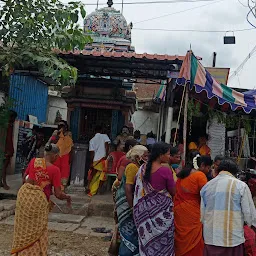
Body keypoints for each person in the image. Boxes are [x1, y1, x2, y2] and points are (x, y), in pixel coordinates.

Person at [12, 144, 71, 255]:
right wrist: (67, 197)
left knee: (23, 227)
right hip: (38, 203)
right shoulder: (55, 169)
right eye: (58, 156)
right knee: (37, 229)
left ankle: (19, 252)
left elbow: (25, 178)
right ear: (54, 155)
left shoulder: (34, 161)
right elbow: (58, 194)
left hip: (23, 197)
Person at [201, 159, 256, 256]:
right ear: (234, 172)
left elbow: (202, 215)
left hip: (211, 237)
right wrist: (251, 226)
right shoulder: (240, 186)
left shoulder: (207, 186)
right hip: (232, 238)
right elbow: (249, 214)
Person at [133, 142, 176, 256]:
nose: (169, 156)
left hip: (144, 216)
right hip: (163, 216)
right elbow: (174, 192)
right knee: (164, 245)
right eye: (168, 154)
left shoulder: (142, 169)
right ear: (160, 155)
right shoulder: (165, 170)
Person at [174, 154, 212, 256]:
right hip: (191, 210)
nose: (209, 170)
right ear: (203, 165)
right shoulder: (200, 175)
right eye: (208, 168)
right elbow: (206, 196)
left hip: (178, 209)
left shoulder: (185, 173)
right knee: (193, 239)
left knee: (181, 238)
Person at [115, 145, 148, 256]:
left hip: (130, 202)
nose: (147, 157)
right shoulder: (132, 167)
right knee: (127, 231)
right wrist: (132, 207)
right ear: (138, 156)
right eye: (145, 155)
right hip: (127, 203)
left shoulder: (138, 167)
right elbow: (129, 188)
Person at [109, 139, 138, 256]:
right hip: (124, 196)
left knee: (122, 226)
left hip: (123, 194)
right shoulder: (127, 161)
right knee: (124, 225)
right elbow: (120, 176)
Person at [49, 120, 73, 190]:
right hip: (56, 154)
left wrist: (71, 157)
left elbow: (71, 146)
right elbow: (52, 141)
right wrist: (58, 134)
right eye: (60, 126)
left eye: (63, 126)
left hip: (65, 155)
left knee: (64, 171)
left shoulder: (69, 134)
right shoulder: (56, 133)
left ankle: (62, 188)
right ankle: (54, 187)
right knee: (55, 169)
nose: (61, 127)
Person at [87, 125, 110, 197]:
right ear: (101, 130)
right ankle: (98, 190)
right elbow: (107, 146)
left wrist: (91, 163)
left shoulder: (92, 140)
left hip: (96, 160)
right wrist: (106, 155)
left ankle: (91, 189)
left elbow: (92, 153)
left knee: (94, 175)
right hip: (103, 159)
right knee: (102, 176)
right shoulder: (105, 136)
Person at [2, 110, 17, 190]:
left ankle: (2, 182)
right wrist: (8, 150)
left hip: (7, 148)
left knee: (4, 166)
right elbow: (7, 139)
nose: (14, 120)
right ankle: (4, 183)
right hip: (6, 149)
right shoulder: (7, 126)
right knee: (4, 166)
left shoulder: (9, 125)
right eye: (14, 118)